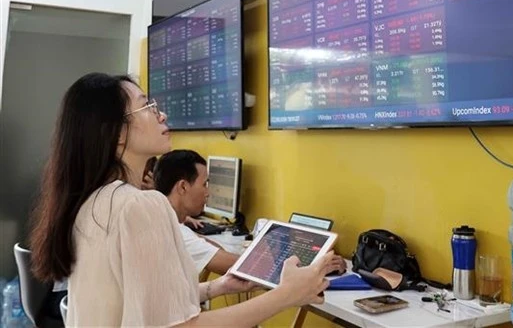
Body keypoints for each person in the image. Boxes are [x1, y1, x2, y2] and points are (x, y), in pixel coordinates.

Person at [29, 73, 337, 327]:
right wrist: (288, 294)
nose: (161, 114)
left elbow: (139, 304)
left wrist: (217, 288)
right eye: (147, 107)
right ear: (118, 132)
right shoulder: (141, 205)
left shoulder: (93, 203)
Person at [152, 149, 239, 275]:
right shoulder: (175, 232)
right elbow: (240, 269)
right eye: (204, 185)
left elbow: (207, 247)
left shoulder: (159, 216)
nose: (208, 193)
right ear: (183, 187)